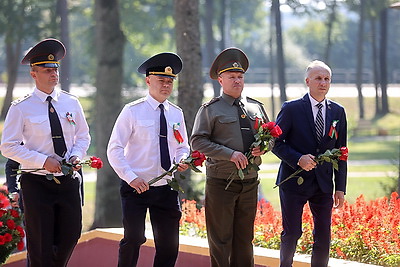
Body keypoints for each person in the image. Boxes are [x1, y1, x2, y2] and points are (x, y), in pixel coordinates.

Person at [0, 38, 91, 267]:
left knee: (70, 237)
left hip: (68, 181)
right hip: (37, 184)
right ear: (33, 73)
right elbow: (8, 146)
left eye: (55, 69)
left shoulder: (71, 102)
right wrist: (42, 161)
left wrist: (76, 155)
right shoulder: (21, 107)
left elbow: (83, 136)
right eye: (47, 69)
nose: (53, 74)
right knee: (40, 247)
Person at [107, 52, 190, 267]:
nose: (166, 85)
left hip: (166, 187)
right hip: (137, 187)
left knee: (169, 246)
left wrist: (182, 159)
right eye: (161, 80)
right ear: (148, 80)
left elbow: (182, 146)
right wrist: (131, 178)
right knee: (134, 238)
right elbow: (114, 149)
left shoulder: (176, 113)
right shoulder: (132, 111)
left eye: (170, 81)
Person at [190, 47, 270, 267]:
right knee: (221, 241)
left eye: (240, 76)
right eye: (232, 77)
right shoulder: (210, 110)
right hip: (221, 183)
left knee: (245, 240)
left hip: (250, 182)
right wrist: (229, 154)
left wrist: (264, 148)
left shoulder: (256, 107)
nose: (237, 81)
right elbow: (197, 141)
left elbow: (271, 137)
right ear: (220, 80)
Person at [272, 60, 347, 267]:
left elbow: (342, 152)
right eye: (318, 78)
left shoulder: (338, 112)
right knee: (292, 232)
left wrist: (340, 188)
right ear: (307, 81)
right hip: (294, 182)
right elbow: (275, 143)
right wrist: (298, 159)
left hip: (323, 184)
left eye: (326, 79)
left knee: (323, 235)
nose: (323, 83)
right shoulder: (292, 108)